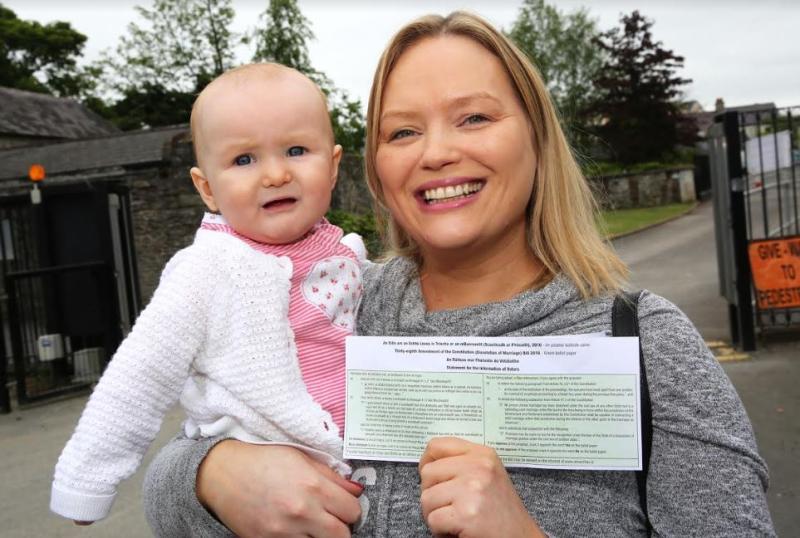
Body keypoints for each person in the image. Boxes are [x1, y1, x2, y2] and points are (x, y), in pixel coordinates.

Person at [143, 12, 775, 538]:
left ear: (537, 138)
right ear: (376, 167)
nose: (437, 152)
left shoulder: (645, 342)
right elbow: (179, 463)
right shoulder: (338, 302)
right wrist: (212, 474)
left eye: (474, 117)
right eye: (403, 131)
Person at [50, 63, 368, 524]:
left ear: (334, 166)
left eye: (296, 150)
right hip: (254, 492)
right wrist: (87, 482)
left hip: (344, 479)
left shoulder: (348, 255)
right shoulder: (205, 271)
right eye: (244, 160)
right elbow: (139, 377)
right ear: (206, 188)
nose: (276, 174)